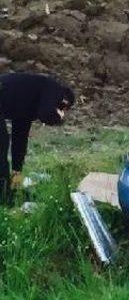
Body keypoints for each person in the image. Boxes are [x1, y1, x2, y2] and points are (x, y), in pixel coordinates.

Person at [0, 73, 75, 204]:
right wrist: (59, 117)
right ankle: (4, 197)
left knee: (5, 142)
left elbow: (20, 137)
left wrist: (17, 170)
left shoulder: (28, 101)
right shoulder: (53, 88)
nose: (62, 109)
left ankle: (7, 191)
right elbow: (46, 115)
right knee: (2, 144)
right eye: (64, 107)